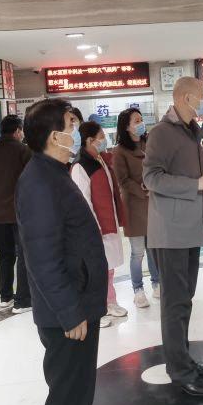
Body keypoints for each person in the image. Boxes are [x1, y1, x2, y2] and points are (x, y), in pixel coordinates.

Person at [15, 98, 108, 405]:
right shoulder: (39, 182)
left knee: (77, 396)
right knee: (68, 401)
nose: (76, 131)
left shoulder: (53, 172)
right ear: (54, 136)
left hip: (78, 303)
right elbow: (42, 258)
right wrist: (70, 313)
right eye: (71, 124)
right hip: (68, 314)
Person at [143, 76, 203, 398]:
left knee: (184, 300)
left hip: (190, 230)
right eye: (201, 95)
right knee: (174, 304)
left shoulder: (191, 131)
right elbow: (151, 177)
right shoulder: (162, 132)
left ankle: (183, 359)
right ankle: (179, 371)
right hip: (170, 232)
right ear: (186, 98)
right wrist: (194, 185)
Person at [71, 121, 128, 328]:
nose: (105, 140)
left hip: (107, 223)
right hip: (94, 229)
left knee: (108, 268)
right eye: (101, 136)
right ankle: (95, 310)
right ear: (89, 140)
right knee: (95, 271)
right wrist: (94, 228)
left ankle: (109, 302)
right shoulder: (81, 166)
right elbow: (83, 203)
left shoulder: (100, 159)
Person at [0, 114, 32, 313]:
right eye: (22, 131)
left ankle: (6, 296)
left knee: (5, 256)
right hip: (20, 213)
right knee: (23, 255)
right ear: (18, 131)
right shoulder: (23, 151)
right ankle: (23, 300)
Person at [112, 108, 160, 308]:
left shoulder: (148, 143)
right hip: (134, 205)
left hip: (153, 203)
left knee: (154, 249)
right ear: (126, 126)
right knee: (138, 251)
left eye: (141, 119)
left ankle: (157, 284)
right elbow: (122, 180)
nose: (141, 124)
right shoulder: (119, 151)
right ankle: (138, 290)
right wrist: (142, 189)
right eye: (136, 121)